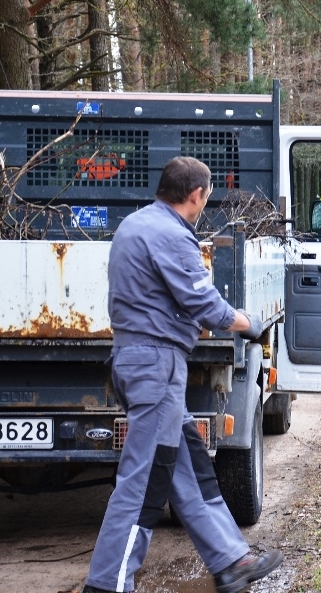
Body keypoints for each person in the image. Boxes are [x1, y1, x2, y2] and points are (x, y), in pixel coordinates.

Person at [83, 157, 282, 593]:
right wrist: (249, 322)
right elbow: (206, 305)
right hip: (155, 366)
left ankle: (232, 560)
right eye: (207, 195)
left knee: (189, 465)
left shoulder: (135, 225)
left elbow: (160, 297)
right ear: (197, 195)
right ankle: (107, 584)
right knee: (144, 480)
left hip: (142, 360)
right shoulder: (172, 235)